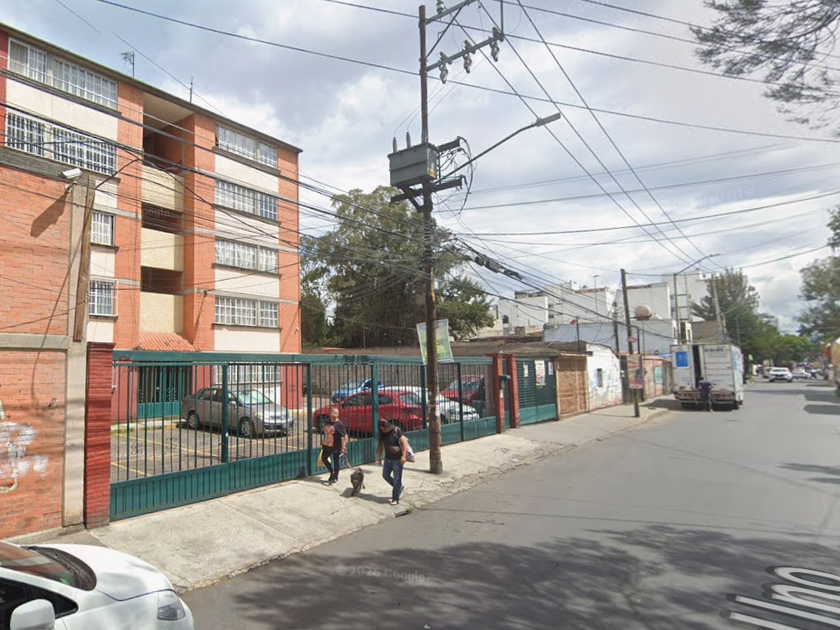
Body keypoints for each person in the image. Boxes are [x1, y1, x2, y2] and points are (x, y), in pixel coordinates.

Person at [376, 419, 407, 505]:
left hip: (397, 459)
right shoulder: (382, 434)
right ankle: (399, 487)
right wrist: (379, 456)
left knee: (397, 479)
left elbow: (404, 442)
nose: (384, 431)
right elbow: (380, 445)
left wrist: (404, 456)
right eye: (382, 429)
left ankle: (395, 498)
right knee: (385, 475)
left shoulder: (396, 430)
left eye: (385, 429)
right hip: (388, 458)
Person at [321, 407, 347, 485]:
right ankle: (331, 471)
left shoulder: (339, 424)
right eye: (333, 413)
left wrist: (343, 445)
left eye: (336, 414)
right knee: (324, 458)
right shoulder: (327, 421)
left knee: (336, 461)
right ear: (330, 414)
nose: (334, 415)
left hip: (336, 445)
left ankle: (335, 477)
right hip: (327, 444)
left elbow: (345, 436)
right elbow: (325, 430)